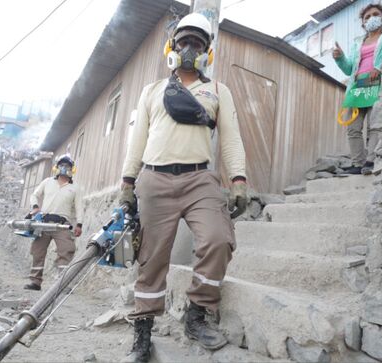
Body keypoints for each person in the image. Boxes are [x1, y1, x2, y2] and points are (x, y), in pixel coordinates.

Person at [119, 13, 248, 362]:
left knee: (218, 239)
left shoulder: (218, 91)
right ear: (172, 48)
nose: (190, 48)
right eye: (183, 42)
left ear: (208, 52)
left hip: (199, 179)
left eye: (197, 44)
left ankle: (196, 316)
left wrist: (238, 180)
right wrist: (127, 182)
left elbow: (232, 139)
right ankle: (142, 334)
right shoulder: (152, 91)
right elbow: (137, 141)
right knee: (151, 258)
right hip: (155, 179)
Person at [333, 3, 382, 175]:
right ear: (363, 23)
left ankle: (371, 161)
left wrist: (381, 67)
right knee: (353, 127)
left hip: (378, 85)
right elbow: (348, 68)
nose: (371, 18)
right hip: (357, 87)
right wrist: (340, 58)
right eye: (367, 17)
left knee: (375, 125)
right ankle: (357, 163)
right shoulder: (357, 42)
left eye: (375, 14)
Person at [25, 154, 83, 291]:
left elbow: (79, 207)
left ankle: (61, 283)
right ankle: (35, 281)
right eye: (61, 165)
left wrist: (79, 224)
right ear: (56, 167)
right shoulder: (47, 182)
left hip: (62, 225)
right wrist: (34, 207)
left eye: (67, 166)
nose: (64, 168)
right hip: (43, 222)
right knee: (37, 251)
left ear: (72, 169)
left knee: (66, 250)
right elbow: (34, 195)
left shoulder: (74, 188)